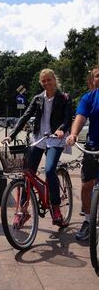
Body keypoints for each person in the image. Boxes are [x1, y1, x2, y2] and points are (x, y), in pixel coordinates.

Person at [2, 68, 73, 227]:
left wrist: (61, 129)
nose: (47, 83)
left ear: (54, 80)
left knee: (49, 170)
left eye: (49, 80)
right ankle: (23, 210)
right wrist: (12, 135)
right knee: (28, 173)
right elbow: (25, 116)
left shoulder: (64, 98)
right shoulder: (38, 99)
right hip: (39, 138)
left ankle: (56, 209)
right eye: (44, 81)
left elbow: (68, 117)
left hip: (55, 139)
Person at [66, 65, 99, 241]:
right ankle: (88, 220)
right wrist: (73, 134)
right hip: (93, 147)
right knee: (86, 187)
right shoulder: (89, 98)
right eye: (97, 76)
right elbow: (80, 117)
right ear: (93, 80)